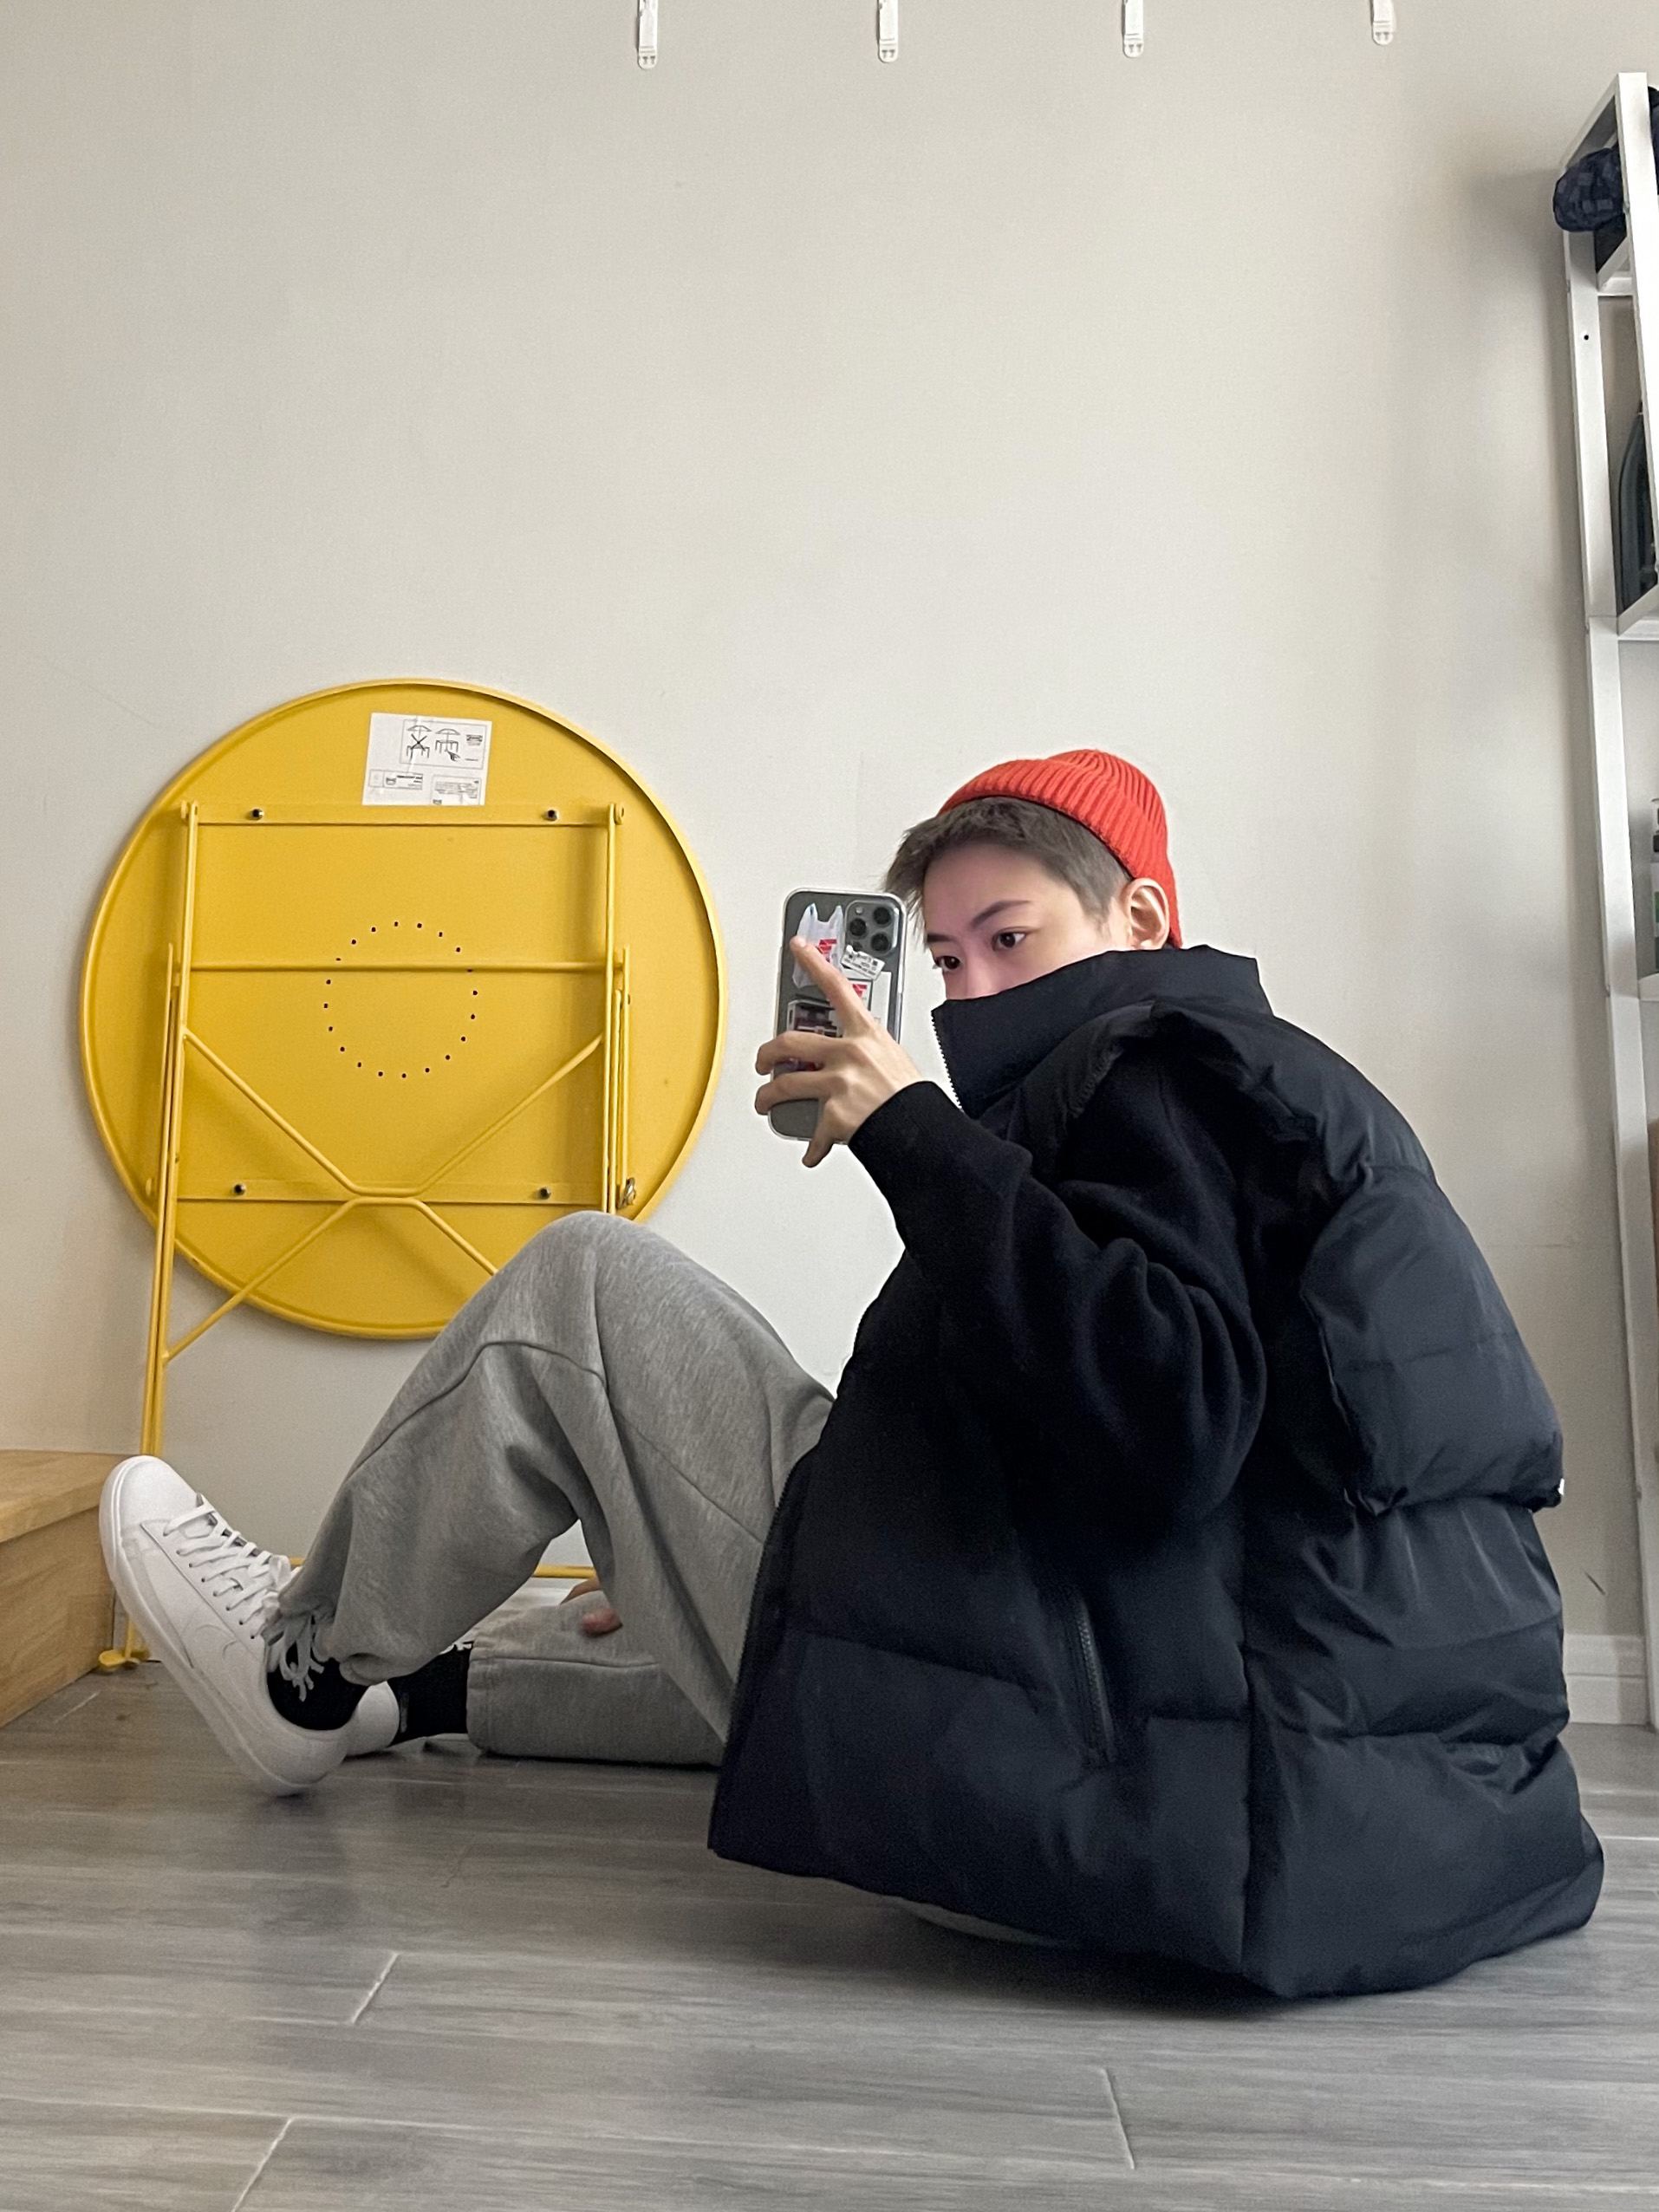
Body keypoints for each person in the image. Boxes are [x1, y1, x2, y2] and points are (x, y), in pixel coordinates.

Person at [101, 747, 1602, 1999]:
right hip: (1347, 1820)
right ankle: (417, 1689)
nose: (969, 988)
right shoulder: (1281, 1091)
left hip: (1149, 1835)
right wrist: (724, 1521)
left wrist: (912, 1134)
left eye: (1011, 940)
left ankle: (302, 1671)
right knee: (793, 1610)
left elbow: (1166, 1425)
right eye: (942, 959)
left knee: (583, 1286)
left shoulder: (1155, 1067)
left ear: (1140, 915)